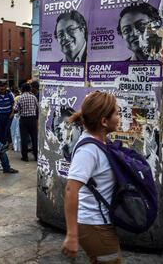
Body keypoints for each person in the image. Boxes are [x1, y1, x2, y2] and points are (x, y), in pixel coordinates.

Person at [62, 91, 121, 264]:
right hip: (94, 223)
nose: (119, 118)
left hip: (99, 221)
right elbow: (71, 189)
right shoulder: (88, 150)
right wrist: (72, 235)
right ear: (104, 121)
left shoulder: (99, 142)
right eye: (117, 113)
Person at [14, 83, 39, 162]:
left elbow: (15, 108)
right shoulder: (34, 97)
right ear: (29, 89)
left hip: (24, 120)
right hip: (33, 119)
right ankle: (36, 156)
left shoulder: (20, 98)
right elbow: (37, 107)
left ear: (22, 89)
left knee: (24, 139)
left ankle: (25, 157)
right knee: (34, 138)